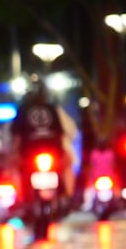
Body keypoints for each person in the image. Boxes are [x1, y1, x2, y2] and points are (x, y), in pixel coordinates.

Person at [10, 78, 78, 206]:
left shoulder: (24, 110)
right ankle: (21, 200)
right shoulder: (50, 109)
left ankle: (67, 198)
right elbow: (61, 134)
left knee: (67, 168)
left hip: (45, 156)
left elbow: (17, 137)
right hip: (35, 157)